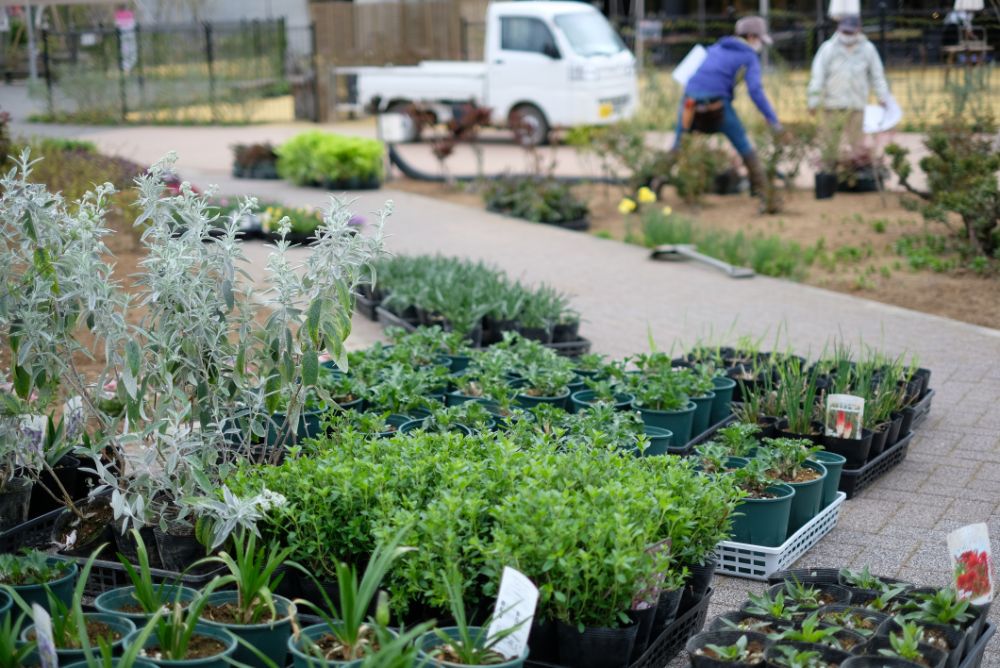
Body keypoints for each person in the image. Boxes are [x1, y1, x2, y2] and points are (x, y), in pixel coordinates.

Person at [671, 15, 783, 197]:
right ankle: (764, 192)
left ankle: (651, 184)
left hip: (689, 101)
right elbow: (755, 91)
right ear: (752, 37)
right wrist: (772, 119)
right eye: (760, 40)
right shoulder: (748, 56)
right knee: (743, 144)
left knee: (678, 144)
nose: (760, 45)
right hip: (717, 104)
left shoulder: (715, 48)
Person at [807, 15, 890, 161]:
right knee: (831, 146)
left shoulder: (868, 49)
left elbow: (877, 76)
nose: (847, 36)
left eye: (850, 32)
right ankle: (831, 173)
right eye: (844, 32)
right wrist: (813, 102)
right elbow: (817, 77)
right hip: (832, 106)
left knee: (857, 147)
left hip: (856, 105)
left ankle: (855, 177)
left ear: (858, 30)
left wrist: (883, 97)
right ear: (839, 29)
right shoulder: (828, 48)